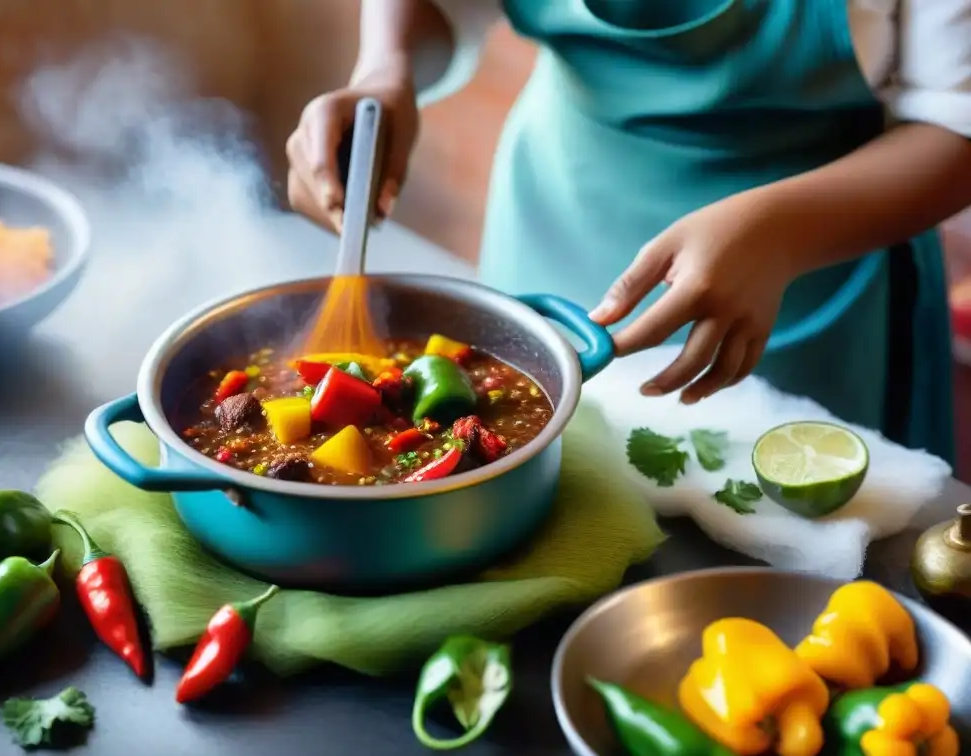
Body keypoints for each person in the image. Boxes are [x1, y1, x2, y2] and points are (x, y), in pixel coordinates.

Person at [286, 0, 971, 465]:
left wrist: (782, 235)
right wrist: (387, 66)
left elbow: (956, 126)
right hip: (555, 211)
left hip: (816, 258)